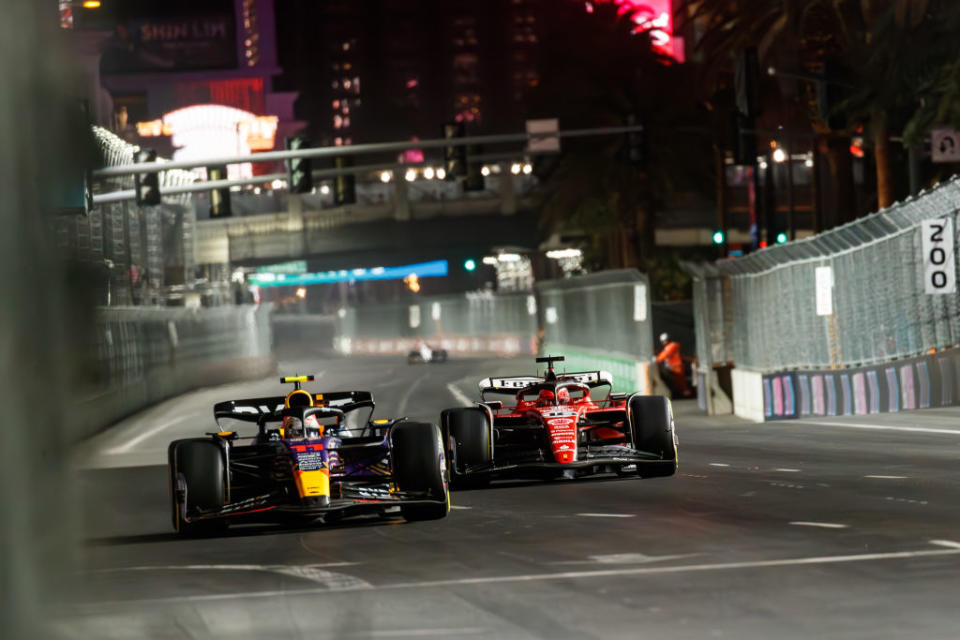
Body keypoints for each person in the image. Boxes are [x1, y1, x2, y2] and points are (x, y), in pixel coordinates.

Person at [656, 332, 692, 398]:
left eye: (665, 340)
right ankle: (682, 395)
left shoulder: (672, 346)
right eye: (663, 341)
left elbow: (663, 355)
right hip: (673, 367)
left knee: (681, 384)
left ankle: (687, 396)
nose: (664, 342)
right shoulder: (669, 346)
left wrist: (657, 359)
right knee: (678, 383)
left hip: (677, 367)